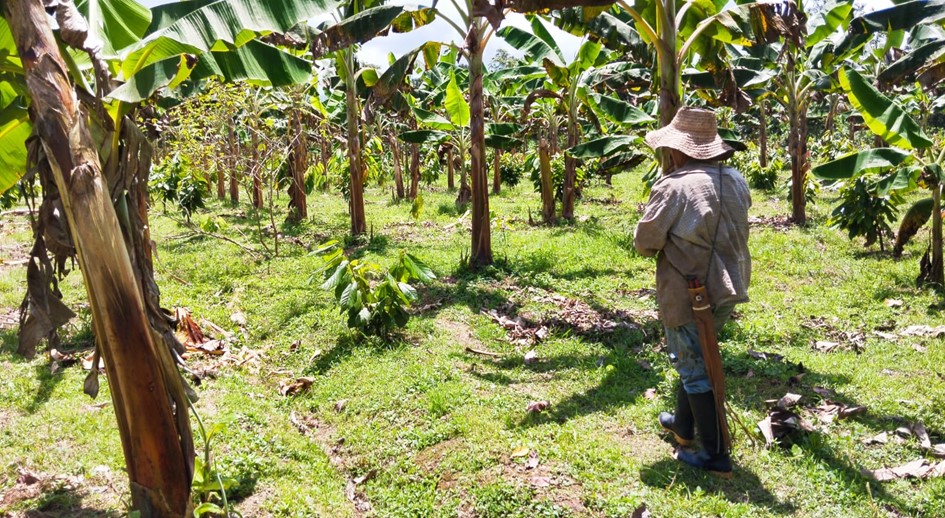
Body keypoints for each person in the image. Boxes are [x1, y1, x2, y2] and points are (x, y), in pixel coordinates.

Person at [633, 107, 751, 478]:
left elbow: (645, 242)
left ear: (678, 150)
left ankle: (715, 455)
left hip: (689, 292)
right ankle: (683, 426)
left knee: (693, 365)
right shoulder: (736, 179)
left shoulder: (673, 187)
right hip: (729, 285)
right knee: (698, 355)